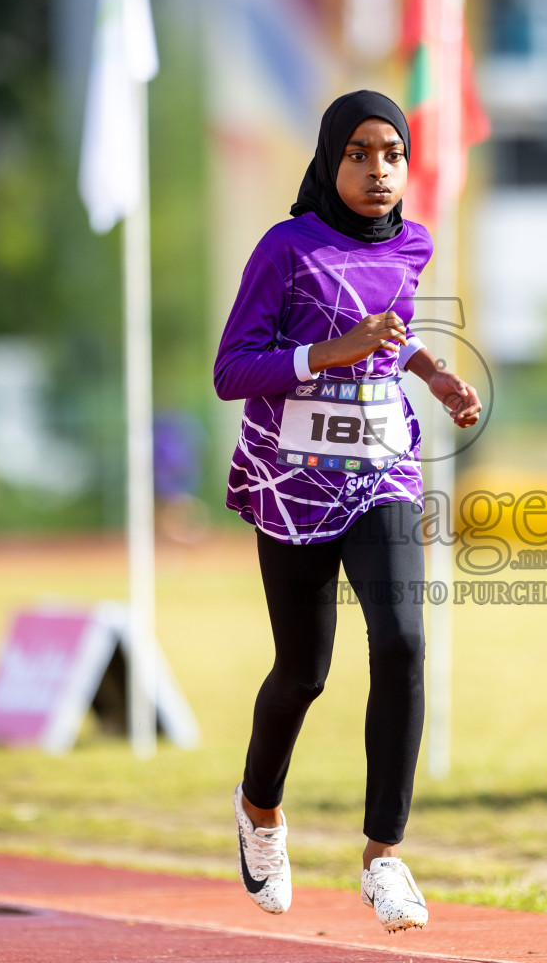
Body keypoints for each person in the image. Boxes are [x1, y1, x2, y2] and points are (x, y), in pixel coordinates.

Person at [213, 90, 482, 933]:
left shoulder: (414, 242)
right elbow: (232, 370)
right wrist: (329, 352)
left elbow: (391, 331)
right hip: (290, 483)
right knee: (305, 671)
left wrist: (430, 373)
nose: (378, 170)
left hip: (379, 471)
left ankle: (385, 858)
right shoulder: (285, 248)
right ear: (331, 160)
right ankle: (260, 814)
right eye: (360, 153)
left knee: (403, 642)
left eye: (393, 155)